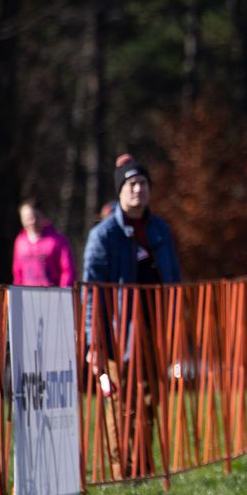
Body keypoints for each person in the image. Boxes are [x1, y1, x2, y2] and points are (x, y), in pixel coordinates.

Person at [83, 154, 182, 478]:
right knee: (121, 400)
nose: (138, 189)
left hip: (154, 328)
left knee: (150, 397)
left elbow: (173, 278)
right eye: (131, 184)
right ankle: (121, 470)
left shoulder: (160, 229)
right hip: (116, 332)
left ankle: (143, 465)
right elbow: (91, 292)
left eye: (143, 183)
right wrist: (93, 340)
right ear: (120, 191)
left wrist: (176, 322)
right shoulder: (103, 235)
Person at [12, 199, 75, 287]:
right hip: (26, 295)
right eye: (27, 218)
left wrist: (63, 293)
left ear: (43, 216)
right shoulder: (20, 242)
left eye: (35, 217)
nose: (32, 221)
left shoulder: (57, 240)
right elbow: (17, 273)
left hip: (51, 294)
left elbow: (68, 270)